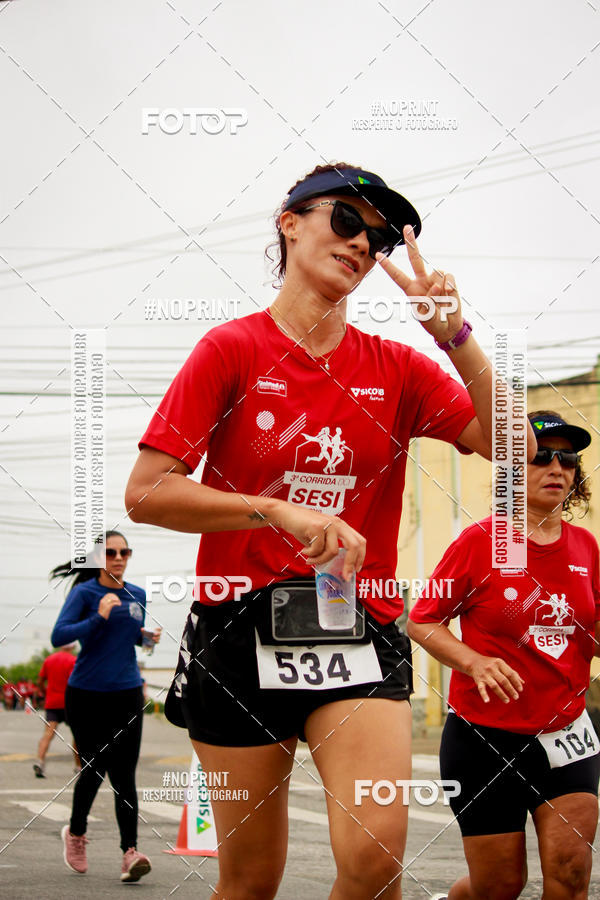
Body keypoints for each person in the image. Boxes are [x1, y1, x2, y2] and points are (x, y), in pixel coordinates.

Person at [125, 162, 536, 899]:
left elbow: (520, 448)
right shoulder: (232, 349)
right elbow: (148, 494)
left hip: (358, 626)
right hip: (238, 627)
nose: (360, 244)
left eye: (376, 239)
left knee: (375, 860)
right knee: (250, 882)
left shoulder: (400, 370)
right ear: (290, 222)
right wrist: (273, 508)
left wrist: (456, 335)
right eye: (345, 220)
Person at [408, 411, 599, 900]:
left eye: (568, 458)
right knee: (499, 886)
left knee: (572, 873)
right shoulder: (480, 543)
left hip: (566, 734)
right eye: (542, 457)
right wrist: (473, 661)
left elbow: (592, 630)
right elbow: (423, 620)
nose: (558, 467)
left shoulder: (586, 548)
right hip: (484, 738)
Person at [50, 530, 160, 882]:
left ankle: (130, 852)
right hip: (86, 692)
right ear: (99, 558)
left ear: (130, 555)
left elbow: (131, 639)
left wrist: (147, 640)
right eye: (111, 552)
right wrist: (98, 615)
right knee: (95, 768)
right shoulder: (85, 593)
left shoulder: (137, 594)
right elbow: (59, 636)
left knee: (125, 774)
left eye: (124, 552)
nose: (118, 557)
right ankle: (76, 834)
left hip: (127, 691)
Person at [33, 644, 79, 778]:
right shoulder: (73, 661)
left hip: (52, 702)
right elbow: (75, 681)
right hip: (69, 702)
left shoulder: (49, 660)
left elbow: (40, 681)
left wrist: (45, 692)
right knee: (76, 735)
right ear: (73, 646)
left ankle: (40, 761)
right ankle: (78, 766)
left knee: (48, 733)